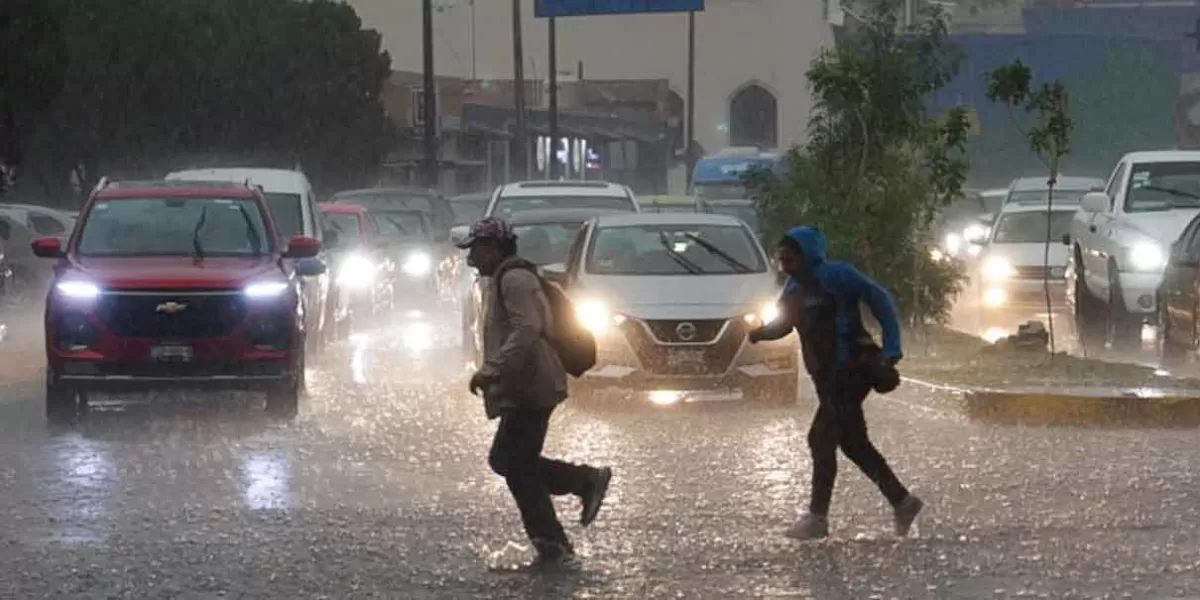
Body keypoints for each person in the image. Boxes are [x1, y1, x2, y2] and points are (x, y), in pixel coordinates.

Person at [456, 217, 613, 571]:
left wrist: (491, 369)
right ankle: (559, 527)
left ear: (493, 249)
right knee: (509, 461)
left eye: (476, 250)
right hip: (525, 384)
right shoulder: (507, 278)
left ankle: (560, 528)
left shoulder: (514, 280)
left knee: (515, 464)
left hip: (532, 385)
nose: (472, 259)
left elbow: (528, 329)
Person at [747, 226, 923, 541]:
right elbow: (785, 323)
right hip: (825, 377)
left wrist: (892, 346)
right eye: (782, 258)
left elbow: (879, 299)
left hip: (852, 369)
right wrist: (760, 333)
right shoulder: (793, 289)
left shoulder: (838, 276)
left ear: (807, 253)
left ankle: (817, 517)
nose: (784, 263)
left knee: (821, 436)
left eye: (790, 256)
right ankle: (902, 500)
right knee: (854, 443)